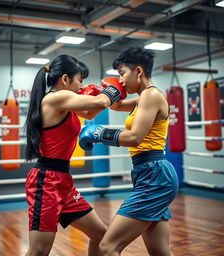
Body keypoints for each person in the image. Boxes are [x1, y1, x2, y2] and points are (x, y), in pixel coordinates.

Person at [79, 46, 179, 256]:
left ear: (139, 71)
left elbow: (135, 137)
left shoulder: (150, 96)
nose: (121, 80)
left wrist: (98, 133)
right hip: (149, 172)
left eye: (122, 73)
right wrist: (107, 91)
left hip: (154, 174)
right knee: (159, 250)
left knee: (107, 247)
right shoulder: (143, 97)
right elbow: (116, 106)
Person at [24, 54, 126, 256]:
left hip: (63, 182)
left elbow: (89, 113)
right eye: (80, 80)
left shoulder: (67, 103)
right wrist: (114, 89)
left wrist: (111, 98)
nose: (82, 85)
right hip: (46, 182)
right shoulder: (55, 98)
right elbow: (98, 104)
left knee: (101, 236)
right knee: (39, 251)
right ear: (64, 79)